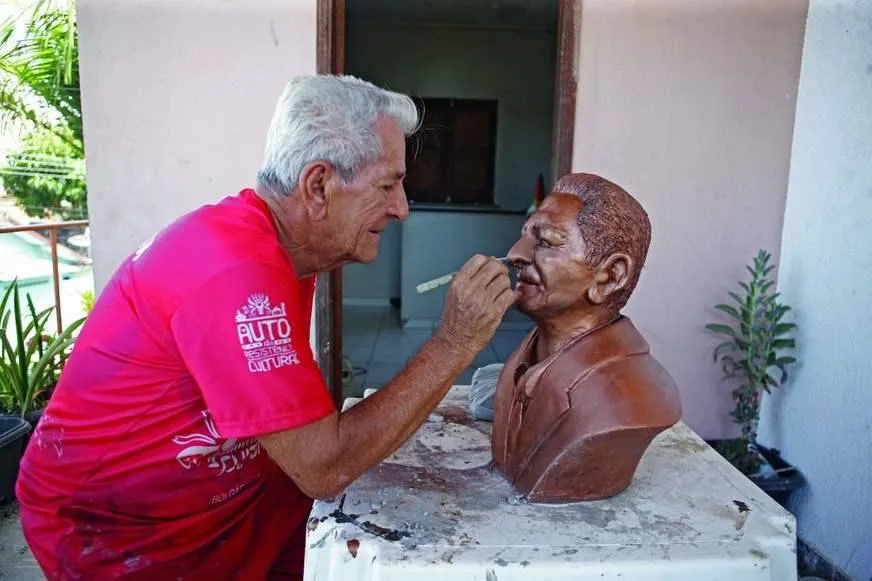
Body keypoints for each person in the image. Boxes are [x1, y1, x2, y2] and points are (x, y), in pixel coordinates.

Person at [16, 74, 514, 579]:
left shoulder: (280, 253)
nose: (402, 208)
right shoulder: (237, 272)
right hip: (117, 527)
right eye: (388, 185)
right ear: (317, 186)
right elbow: (323, 465)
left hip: (223, 493)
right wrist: (455, 341)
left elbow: (297, 431)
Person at [491, 173, 682, 503]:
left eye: (547, 242)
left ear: (610, 276)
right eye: (524, 236)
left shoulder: (631, 400)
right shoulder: (519, 364)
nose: (515, 254)